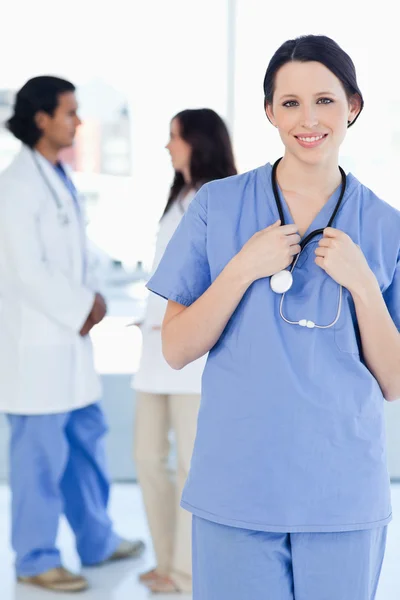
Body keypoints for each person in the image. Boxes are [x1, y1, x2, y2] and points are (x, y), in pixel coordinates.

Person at [146, 35, 400, 599]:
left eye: (325, 100)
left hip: (341, 493)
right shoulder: (218, 205)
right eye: (289, 103)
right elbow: (177, 347)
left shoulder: (386, 226)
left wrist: (362, 285)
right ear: (268, 112)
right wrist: (242, 268)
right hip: (238, 488)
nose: (308, 118)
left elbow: (395, 380)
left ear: (353, 106)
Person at [0, 76, 144, 593]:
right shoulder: (15, 185)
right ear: (41, 118)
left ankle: (96, 540)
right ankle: (35, 559)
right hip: (37, 351)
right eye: (70, 112)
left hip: (70, 348)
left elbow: (79, 253)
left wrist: (110, 282)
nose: (78, 122)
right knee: (39, 461)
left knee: (86, 446)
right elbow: (26, 270)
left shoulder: (55, 177)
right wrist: (86, 305)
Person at [133, 108, 237, 594]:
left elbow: (220, 282)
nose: (168, 146)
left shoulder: (221, 201)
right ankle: (166, 560)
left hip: (191, 359)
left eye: (174, 137)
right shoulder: (177, 199)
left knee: (192, 469)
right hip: (153, 351)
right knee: (147, 459)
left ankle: (186, 572)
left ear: (199, 141)